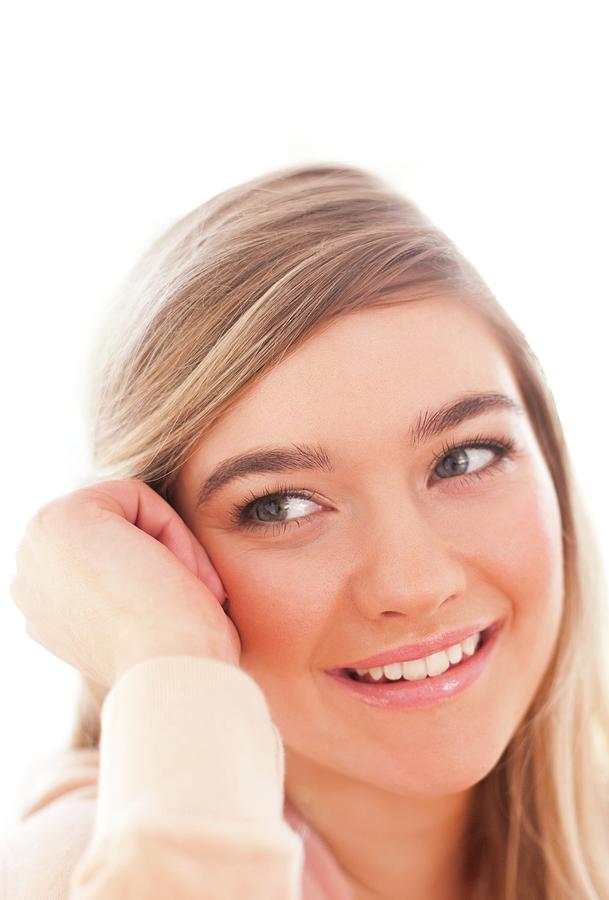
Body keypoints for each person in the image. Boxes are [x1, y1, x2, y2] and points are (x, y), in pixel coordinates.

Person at [4, 163, 609, 899]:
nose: (412, 586)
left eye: (464, 458)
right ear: (163, 552)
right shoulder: (85, 864)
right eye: (281, 506)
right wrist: (163, 654)